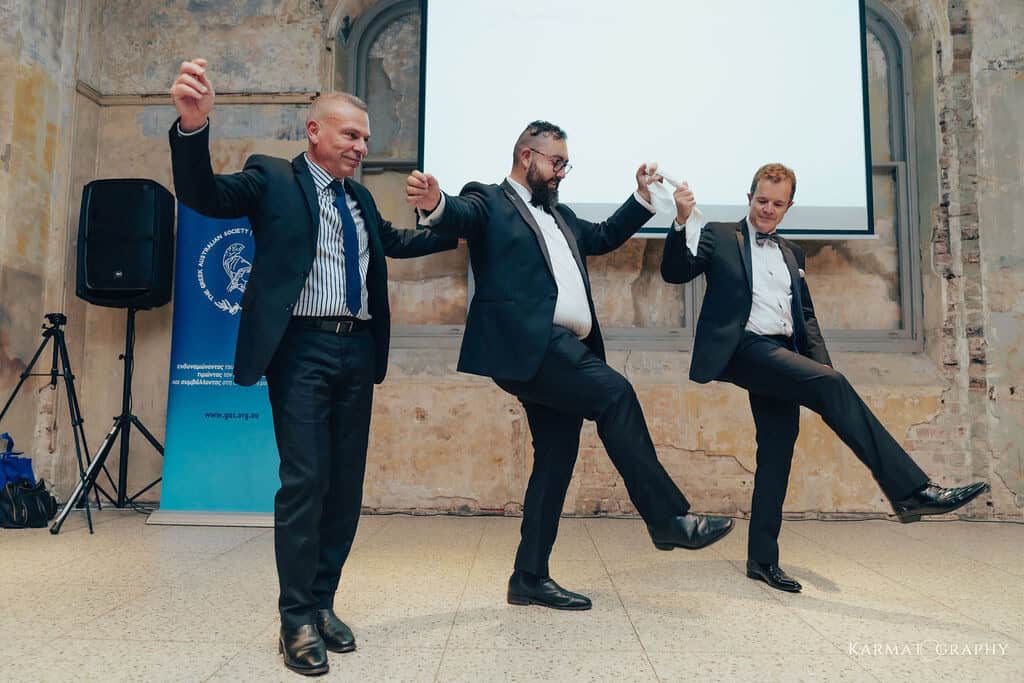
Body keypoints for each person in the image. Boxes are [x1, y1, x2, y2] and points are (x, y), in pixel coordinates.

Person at [169, 58, 457, 675]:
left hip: (358, 349)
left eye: (366, 139)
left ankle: (323, 602)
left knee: (344, 486)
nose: (361, 148)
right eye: (351, 135)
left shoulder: (360, 199)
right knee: (304, 481)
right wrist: (193, 129)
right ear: (314, 131)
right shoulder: (271, 176)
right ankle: (295, 618)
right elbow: (205, 195)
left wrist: (442, 214)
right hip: (300, 350)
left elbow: (398, 243)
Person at [405, 121, 734, 611]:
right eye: (555, 162)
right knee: (616, 394)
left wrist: (642, 198)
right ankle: (667, 519)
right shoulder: (489, 200)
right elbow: (458, 213)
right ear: (526, 156)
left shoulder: (560, 216)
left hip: (563, 350)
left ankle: (529, 577)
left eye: (565, 164)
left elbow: (603, 236)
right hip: (533, 344)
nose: (561, 172)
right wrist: (434, 203)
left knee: (555, 460)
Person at [660, 162, 989, 593]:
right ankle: (912, 490)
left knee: (776, 453)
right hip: (743, 348)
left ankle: (762, 560)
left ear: (788, 207)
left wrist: (823, 370)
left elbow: (806, 318)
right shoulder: (720, 235)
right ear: (749, 198)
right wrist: (681, 220)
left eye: (777, 204)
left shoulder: (792, 253)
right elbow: (675, 272)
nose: (768, 209)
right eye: (762, 201)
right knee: (831, 389)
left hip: (783, 353)